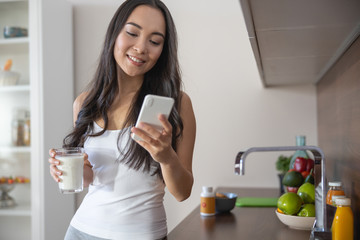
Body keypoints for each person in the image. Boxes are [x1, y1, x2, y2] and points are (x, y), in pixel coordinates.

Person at [48, 0, 196, 239]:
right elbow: (91, 180)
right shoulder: (84, 103)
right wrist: (70, 171)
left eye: (154, 41)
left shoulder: (177, 104)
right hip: (81, 231)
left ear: (163, 50)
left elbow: (182, 192)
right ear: (114, 34)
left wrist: (167, 157)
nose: (140, 47)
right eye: (132, 33)